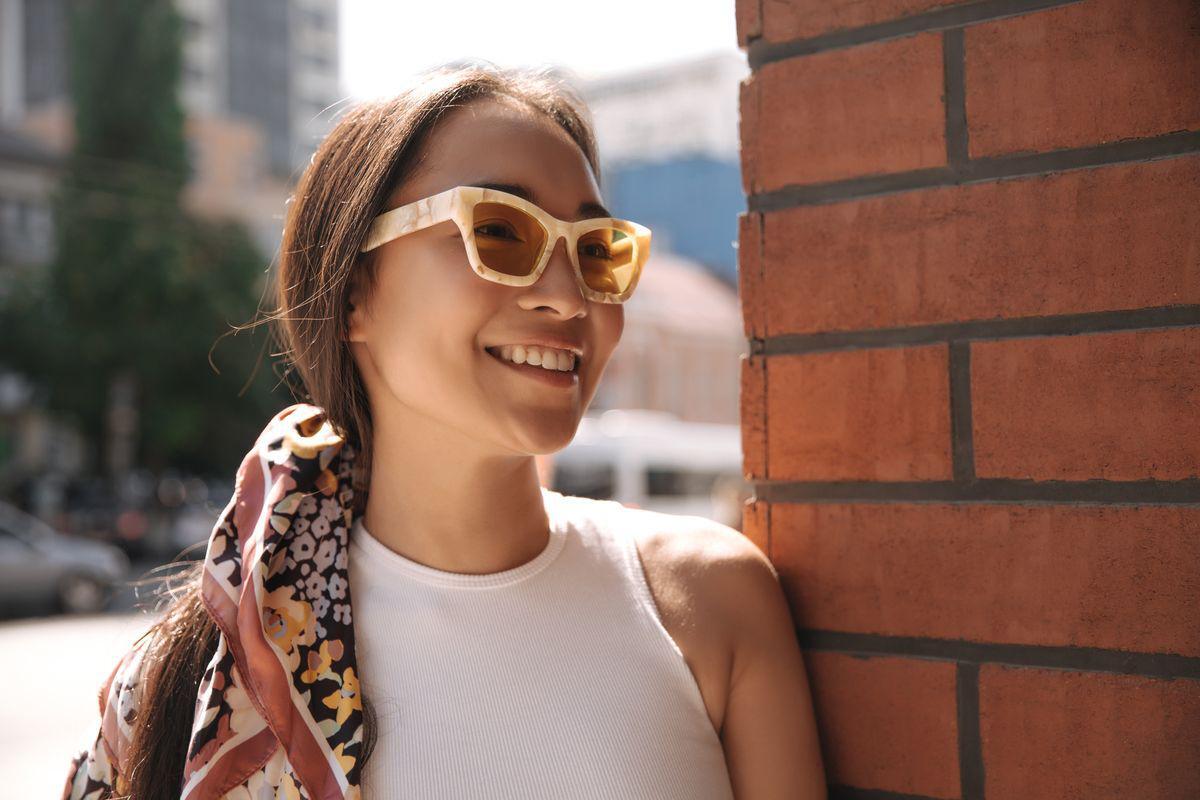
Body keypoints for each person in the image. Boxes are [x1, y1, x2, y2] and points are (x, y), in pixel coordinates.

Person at [61, 63, 826, 799]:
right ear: (355, 289)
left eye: (598, 253)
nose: (566, 298)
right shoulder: (206, 678)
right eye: (499, 232)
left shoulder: (711, 601)